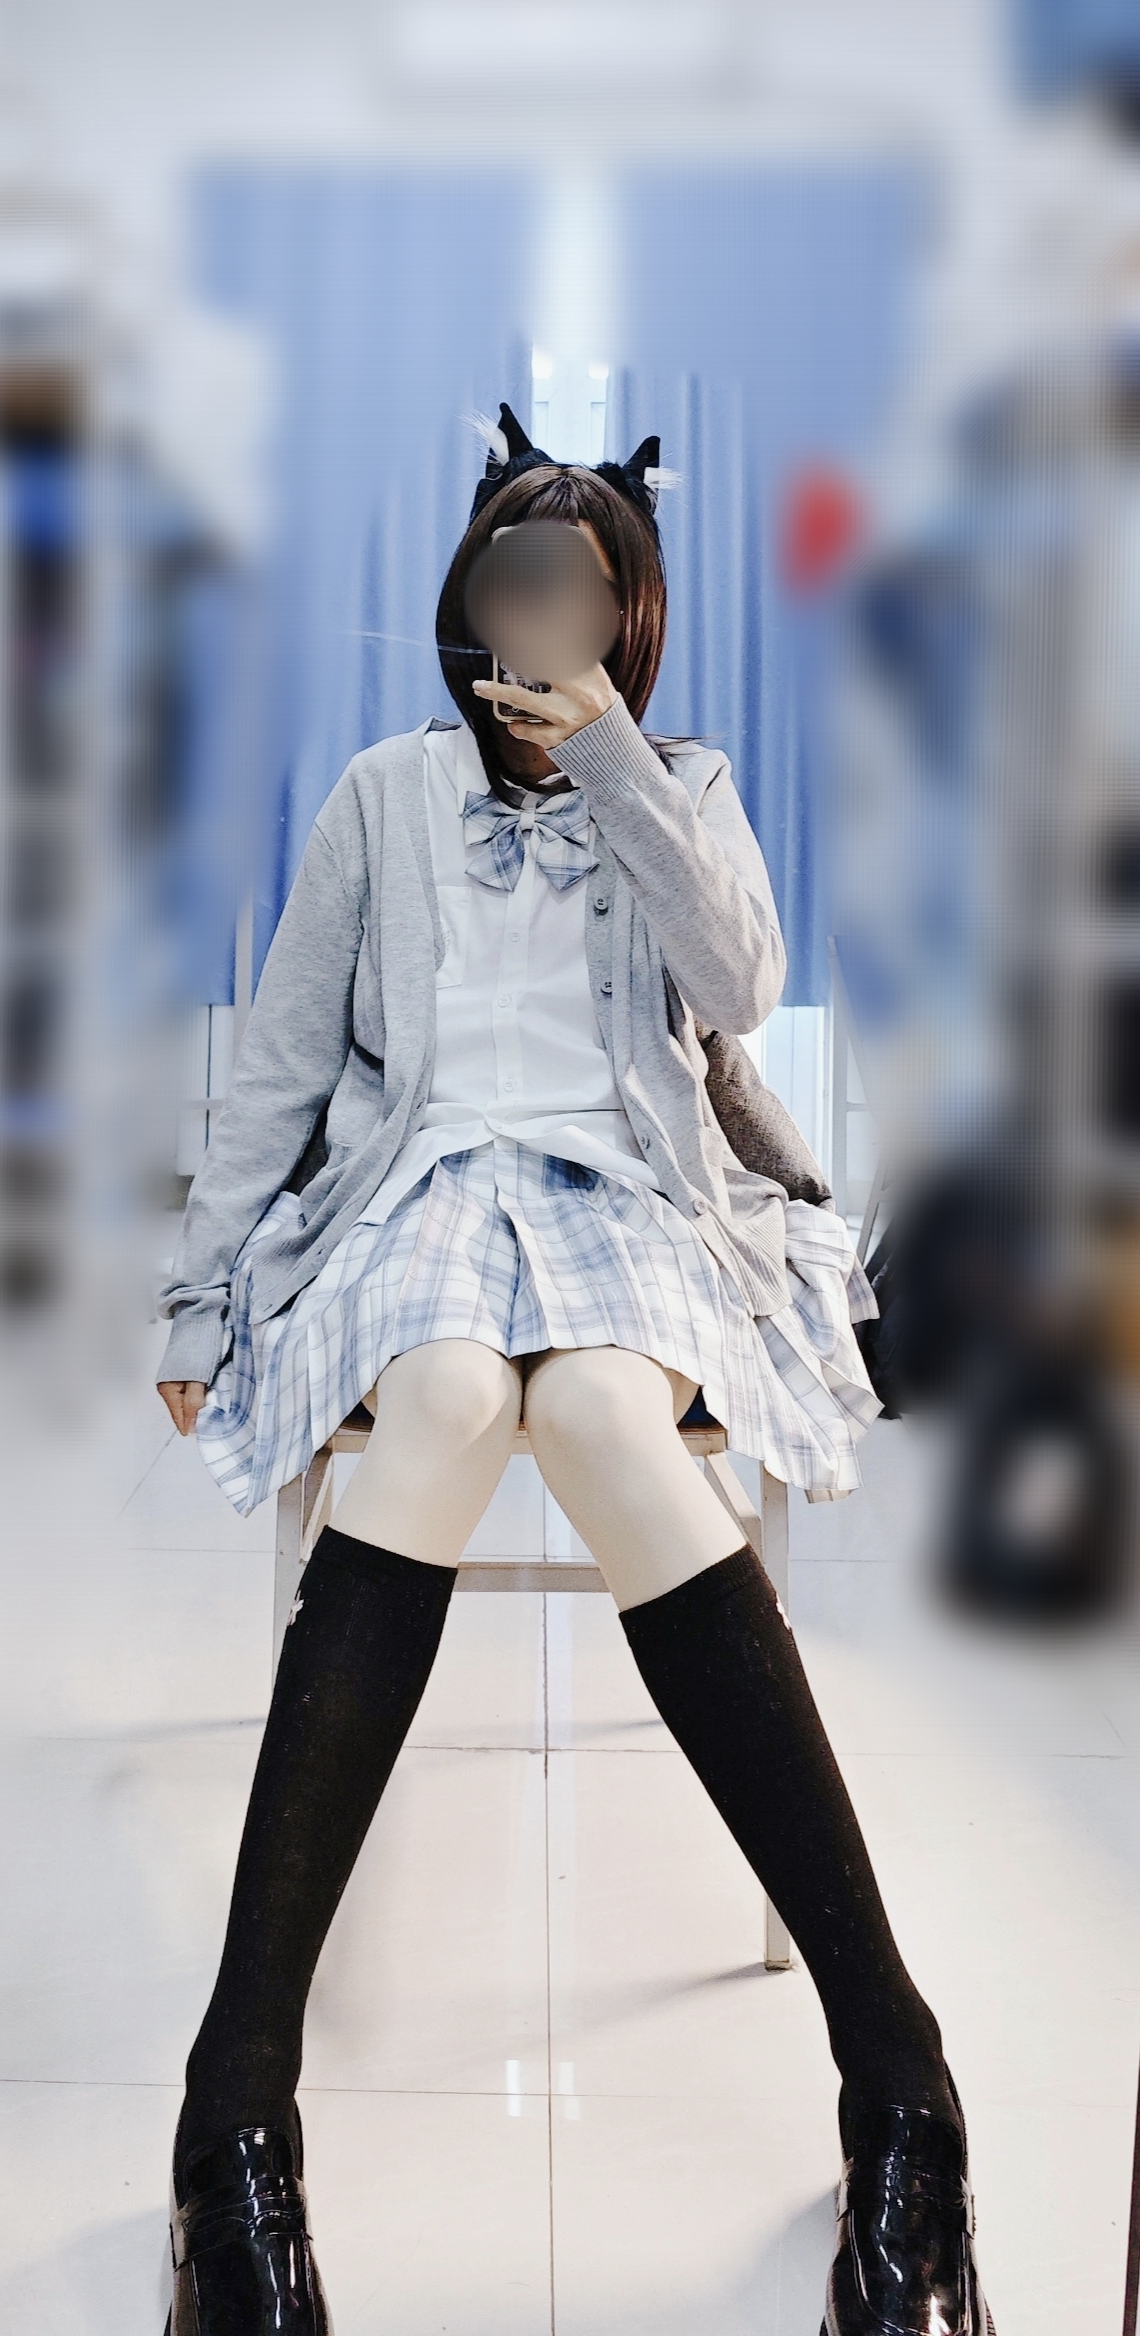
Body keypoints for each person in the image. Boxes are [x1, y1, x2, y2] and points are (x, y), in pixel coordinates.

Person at [154, 408, 993, 2336]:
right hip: (423, 1190)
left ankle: (900, 2080)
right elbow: (284, 1065)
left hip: (629, 1194)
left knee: (607, 1410)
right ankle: (236, 2111)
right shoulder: (381, 796)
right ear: (468, 597)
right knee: (454, 1399)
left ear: (629, 616)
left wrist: (612, 757)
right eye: (510, 577)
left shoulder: (681, 786)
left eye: (582, 587)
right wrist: (200, 1297)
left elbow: (739, 984)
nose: (539, 610)